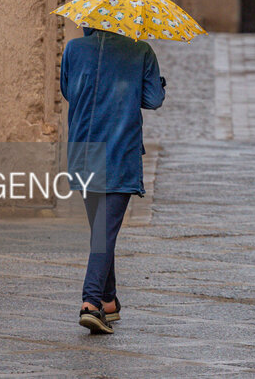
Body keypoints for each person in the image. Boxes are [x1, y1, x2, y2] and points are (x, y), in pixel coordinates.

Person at [60, 25, 165, 334]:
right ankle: (91, 303)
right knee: (103, 233)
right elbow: (153, 99)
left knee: (101, 231)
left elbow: (69, 92)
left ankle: (108, 301)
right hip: (119, 153)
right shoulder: (140, 50)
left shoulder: (72, 49)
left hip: (84, 150)